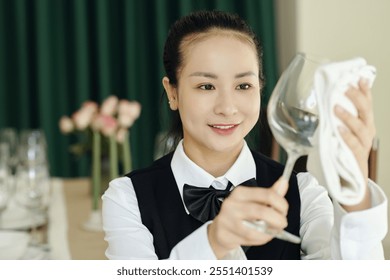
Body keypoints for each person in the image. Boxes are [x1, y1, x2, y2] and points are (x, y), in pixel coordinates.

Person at [102, 10, 387, 260]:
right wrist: (213, 242)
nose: (227, 108)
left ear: (261, 89)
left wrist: (356, 193)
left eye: (243, 86)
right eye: (206, 86)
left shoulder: (304, 192)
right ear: (172, 92)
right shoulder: (127, 199)